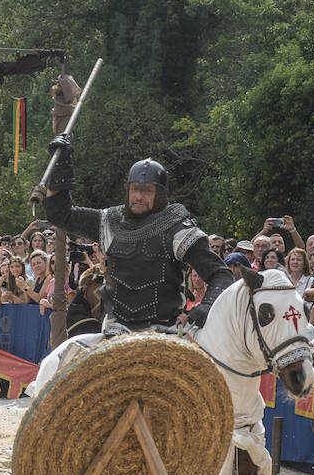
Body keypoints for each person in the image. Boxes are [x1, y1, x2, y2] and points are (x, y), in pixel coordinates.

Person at [42, 135, 232, 332]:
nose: (139, 196)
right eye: (135, 189)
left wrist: (205, 308)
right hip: (114, 331)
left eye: (148, 191)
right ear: (128, 190)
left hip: (166, 331)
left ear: (160, 195)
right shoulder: (109, 221)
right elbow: (59, 214)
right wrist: (60, 168)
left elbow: (221, 274)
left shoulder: (177, 228)